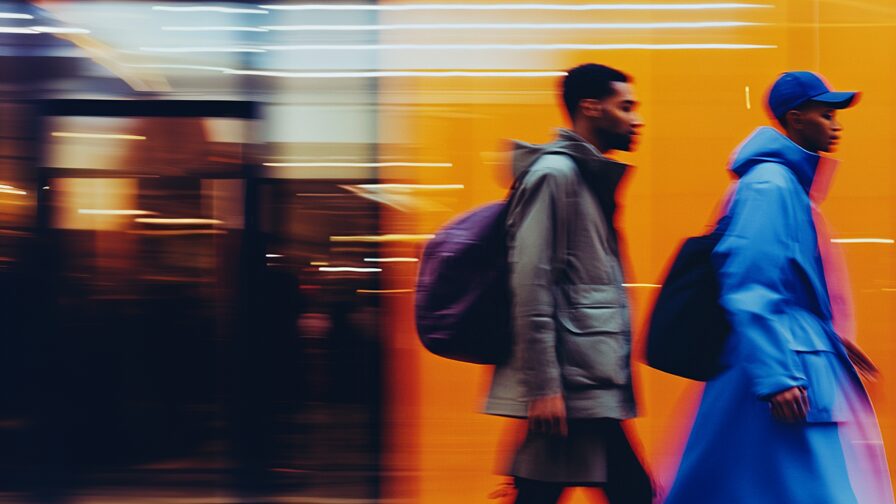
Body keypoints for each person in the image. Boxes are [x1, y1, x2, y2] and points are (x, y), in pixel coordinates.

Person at [665, 71, 894, 504]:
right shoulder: (770, 186)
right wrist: (776, 376)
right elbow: (750, 283)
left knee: (751, 484)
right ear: (795, 118)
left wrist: (831, 342)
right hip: (783, 371)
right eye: (827, 114)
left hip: (785, 364)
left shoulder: (780, 185)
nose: (837, 125)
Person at [484, 63, 652, 504]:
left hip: (584, 385)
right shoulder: (555, 177)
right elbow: (532, 284)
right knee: (632, 491)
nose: (638, 119)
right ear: (590, 108)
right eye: (626, 107)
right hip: (571, 392)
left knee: (552, 492)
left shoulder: (584, 179)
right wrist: (543, 388)